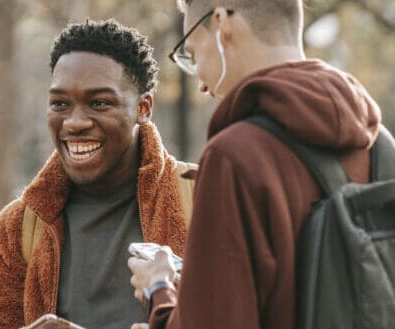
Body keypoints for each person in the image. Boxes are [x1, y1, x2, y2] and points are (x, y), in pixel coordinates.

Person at [128, 1, 383, 328]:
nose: (202, 84)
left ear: (222, 23)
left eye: (191, 53)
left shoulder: (234, 157)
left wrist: (159, 289)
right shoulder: (378, 142)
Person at [0, 19, 197, 329]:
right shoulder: (16, 230)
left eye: (99, 103)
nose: (75, 122)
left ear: (143, 108)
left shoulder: (205, 198)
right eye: (60, 103)